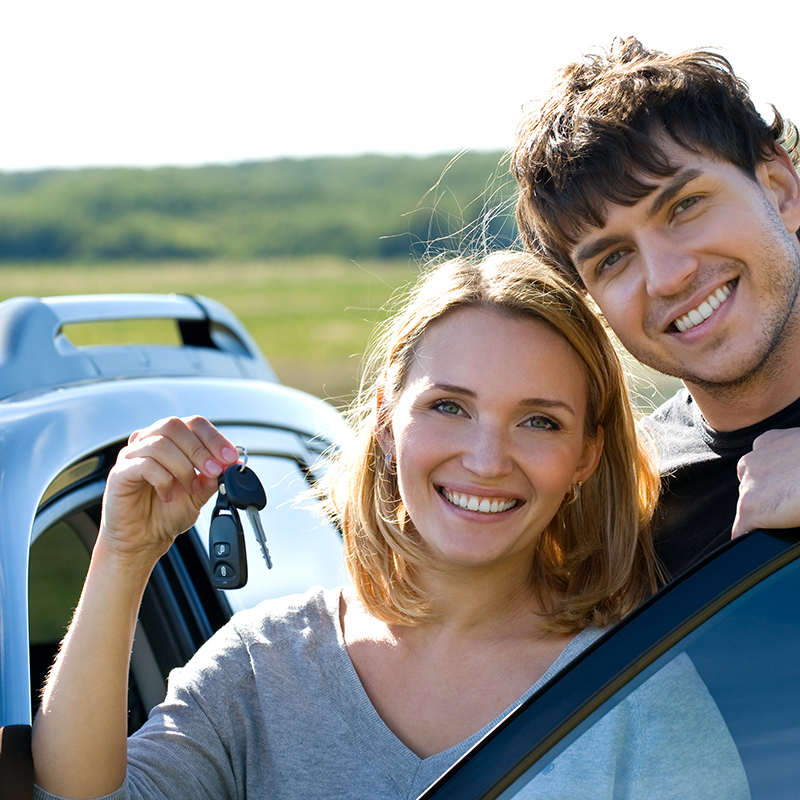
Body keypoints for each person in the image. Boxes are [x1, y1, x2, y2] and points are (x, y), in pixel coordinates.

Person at [32, 251, 748, 799]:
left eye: (539, 421)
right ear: (384, 421)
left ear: (586, 454)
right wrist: (123, 555)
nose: (487, 458)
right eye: (448, 407)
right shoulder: (264, 666)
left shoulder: (638, 690)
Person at [512, 37, 800, 579]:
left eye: (685, 205)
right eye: (614, 259)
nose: (668, 278)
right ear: (594, 306)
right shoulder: (622, 514)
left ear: (780, 189)